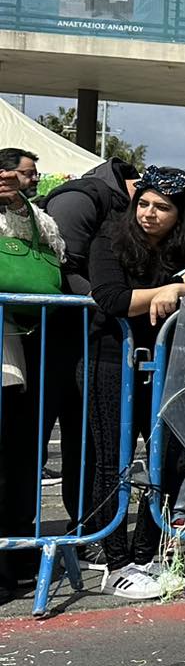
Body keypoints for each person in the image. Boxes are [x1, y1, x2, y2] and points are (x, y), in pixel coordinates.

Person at [83, 167, 185, 596]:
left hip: (172, 363)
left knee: (170, 461)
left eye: (163, 207)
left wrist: (184, 291)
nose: (149, 214)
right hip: (110, 360)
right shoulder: (110, 238)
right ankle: (115, 563)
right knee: (112, 462)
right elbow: (112, 299)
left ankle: (145, 554)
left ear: (183, 213)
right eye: (144, 203)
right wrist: (173, 288)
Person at [41, 156, 138, 536]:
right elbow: (63, 266)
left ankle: (88, 525)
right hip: (66, 339)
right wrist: (110, 299)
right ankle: (83, 527)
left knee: (92, 444)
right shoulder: (82, 199)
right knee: (77, 445)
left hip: (91, 339)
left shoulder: (107, 201)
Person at [0, 150, 61, 564]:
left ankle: (15, 555)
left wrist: (20, 206)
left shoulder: (32, 214)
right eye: (22, 175)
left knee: (13, 457)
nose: (28, 181)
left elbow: (58, 246)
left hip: (10, 350)